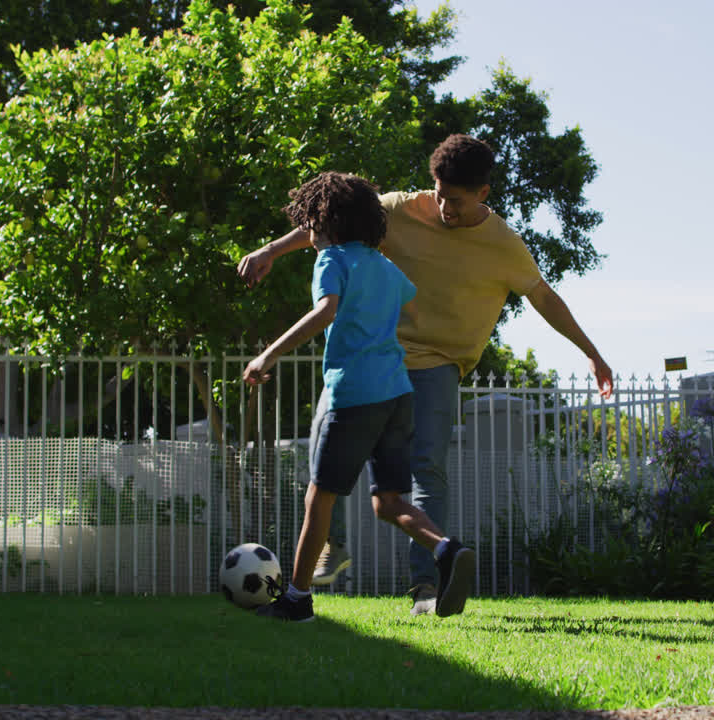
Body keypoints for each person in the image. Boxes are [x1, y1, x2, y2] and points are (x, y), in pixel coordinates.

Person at [238, 135, 613, 615]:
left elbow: (544, 298)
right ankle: (334, 546)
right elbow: (331, 217)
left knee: (423, 471)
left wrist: (592, 352)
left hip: (434, 364)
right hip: (381, 362)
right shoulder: (396, 208)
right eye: (438, 193)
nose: (443, 206)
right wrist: (273, 249)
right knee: (338, 460)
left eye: (455, 199)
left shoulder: (503, 245)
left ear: (483, 194)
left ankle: (427, 587)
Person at [242, 171, 476, 622]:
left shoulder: (332, 260)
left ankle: (296, 599)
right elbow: (405, 296)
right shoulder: (386, 268)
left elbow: (325, 311)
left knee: (319, 499)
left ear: (324, 221)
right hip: (397, 394)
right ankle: (447, 548)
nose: (307, 232)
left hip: (354, 394)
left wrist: (267, 356)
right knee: (388, 502)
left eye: (310, 221)